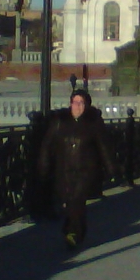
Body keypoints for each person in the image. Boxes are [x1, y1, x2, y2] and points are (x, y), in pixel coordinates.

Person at [38, 90, 117, 249]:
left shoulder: (93, 122)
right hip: (64, 169)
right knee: (68, 201)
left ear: (87, 105)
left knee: (77, 199)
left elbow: (104, 147)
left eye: (81, 103)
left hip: (86, 170)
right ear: (70, 104)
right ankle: (75, 230)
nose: (78, 106)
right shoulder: (60, 122)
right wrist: (43, 166)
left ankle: (73, 233)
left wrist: (112, 169)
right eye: (75, 102)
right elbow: (47, 145)